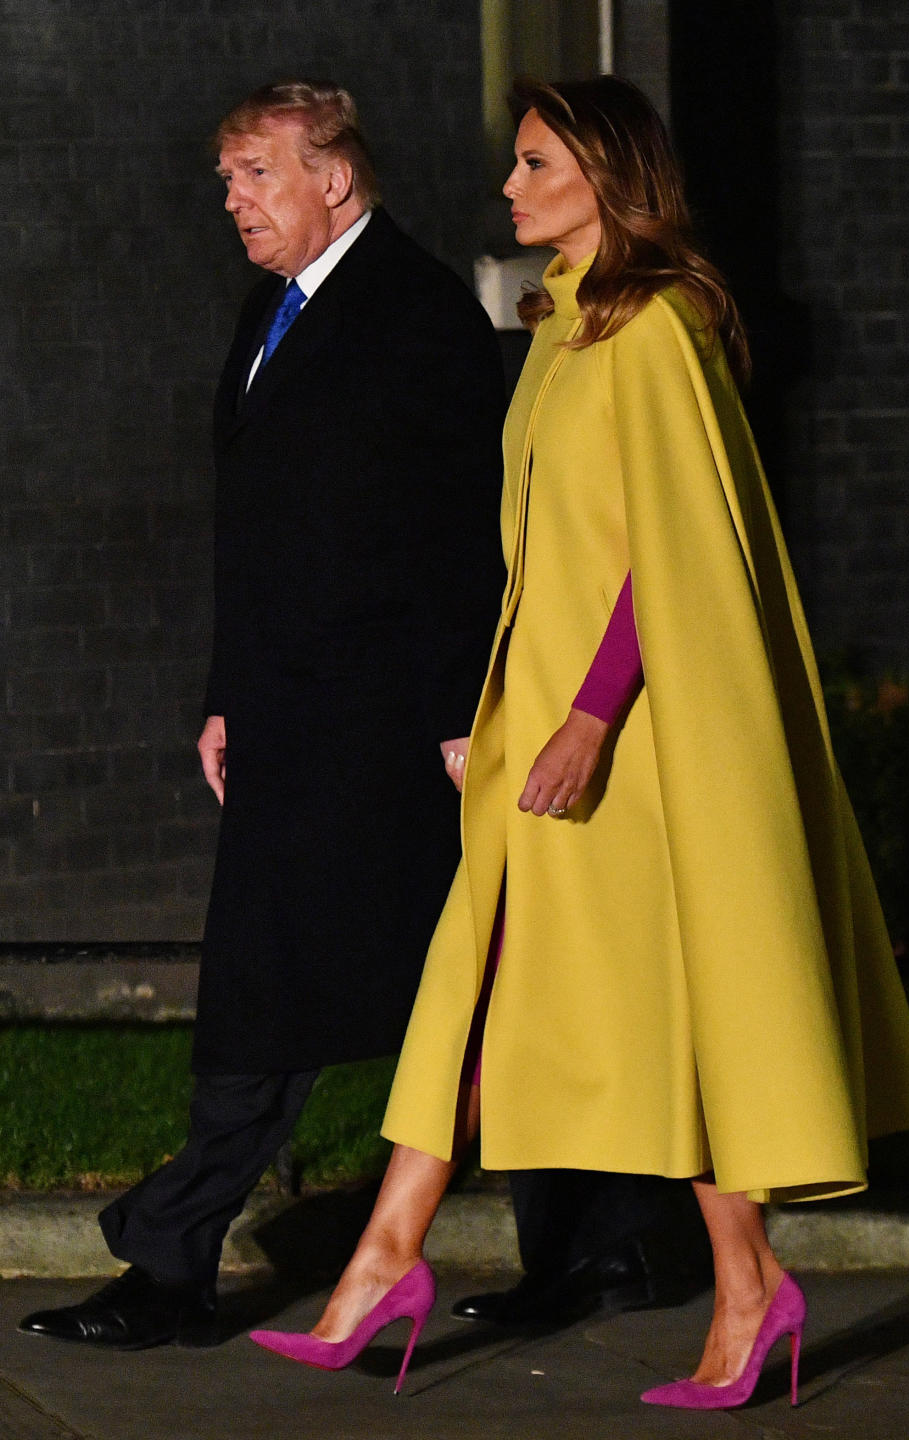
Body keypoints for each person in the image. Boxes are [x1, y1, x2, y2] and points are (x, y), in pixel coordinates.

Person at [250, 74, 909, 1409]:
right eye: (513, 164)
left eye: (536, 164)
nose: (508, 188)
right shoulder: (563, 329)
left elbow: (662, 559)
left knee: (655, 1009)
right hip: (541, 729)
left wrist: (585, 719)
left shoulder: (661, 328)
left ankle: (736, 1288)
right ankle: (391, 1260)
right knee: (488, 982)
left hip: (623, 742)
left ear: (612, 177)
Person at [19, 79, 507, 1351]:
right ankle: (602, 1243)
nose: (230, 200)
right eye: (226, 179)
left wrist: (459, 720)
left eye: (253, 176)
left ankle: (173, 1261)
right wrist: (224, 694)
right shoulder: (267, 313)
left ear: (333, 178)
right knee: (340, 990)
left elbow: (460, 539)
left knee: (409, 992)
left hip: (384, 732)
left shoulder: (422, 317)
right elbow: (255, 530)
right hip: (286, 717)